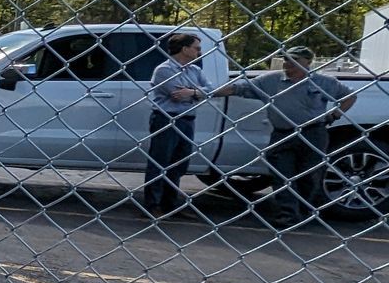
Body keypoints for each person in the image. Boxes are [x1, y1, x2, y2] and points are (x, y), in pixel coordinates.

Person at [214, 46, 357, 226]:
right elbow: (238, 88)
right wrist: (203, 93)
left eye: (294, 60)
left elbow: (350, 96)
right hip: (282, 133)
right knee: (281, 175)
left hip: (313, 133)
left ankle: (305, 212)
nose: (288, 63)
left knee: (310, 176)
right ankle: (287, 214)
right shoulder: (271, 80)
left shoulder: (323, 82)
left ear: (307, 62)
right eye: (286, 59)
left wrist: (335, 115)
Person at [141, 31, 212, 216]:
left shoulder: (195, 70)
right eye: (196, 48)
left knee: (179, 163)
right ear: (184, 49)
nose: (199, 51)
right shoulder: (164, 69)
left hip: (187, 120)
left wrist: (192, 93)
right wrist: (196, 93)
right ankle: (152, 205)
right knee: (160, 162)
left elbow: (211, 89)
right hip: (166, 119)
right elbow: (176, 94)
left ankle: (169, 204)